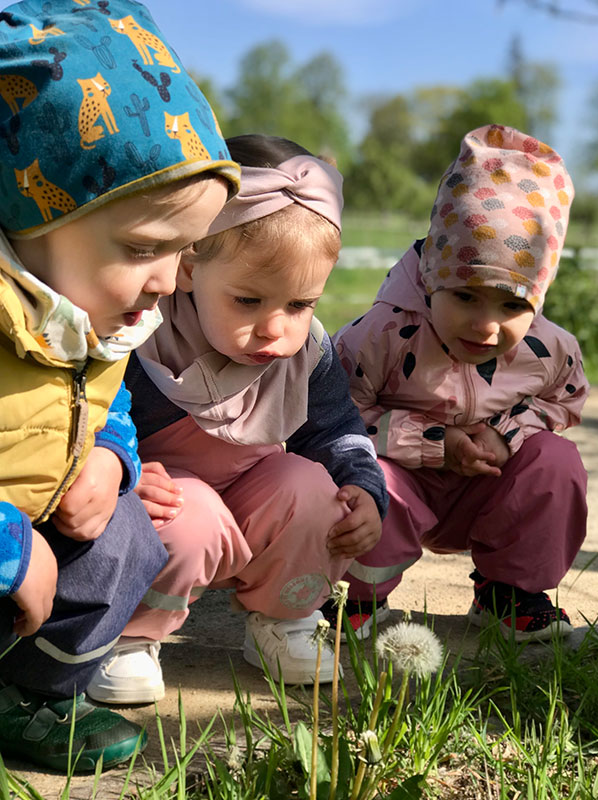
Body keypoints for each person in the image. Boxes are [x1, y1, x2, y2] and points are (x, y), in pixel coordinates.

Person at [0, 0, 240, 772]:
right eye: (144, 246)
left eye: (186, 252)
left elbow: (109, 401)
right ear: (28, 210)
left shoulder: (96, 316)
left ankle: (29, 693)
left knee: (125, 533)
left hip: (37, 536)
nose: (168, 281)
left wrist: (110, 456)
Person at [85, 134, 389, 704]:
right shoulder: (142, 340)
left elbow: (339, 429)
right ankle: (129, 633)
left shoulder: (306, 355)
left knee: (312, 488)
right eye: (248, 301)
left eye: (300, 305)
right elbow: (87, 417)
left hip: (255, 500)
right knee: (185, 510)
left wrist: (363, 488)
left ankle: (285, 619)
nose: (276, 328)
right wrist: (123, 470)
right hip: (170, 507)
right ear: (190, 267)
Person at [333, 124, 588, 642]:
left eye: (513, 304)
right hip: (403, 486)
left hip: (491, 487)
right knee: (359, 477)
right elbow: (334, 418)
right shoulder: (381, 334)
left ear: (536, 301)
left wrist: (508, 433)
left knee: (557, 462)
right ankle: (352, 597)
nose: (487, 324)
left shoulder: (549, 349)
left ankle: (509, 593)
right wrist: (432, 444)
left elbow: (566, 400)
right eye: (466, 297)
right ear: (431, 276)